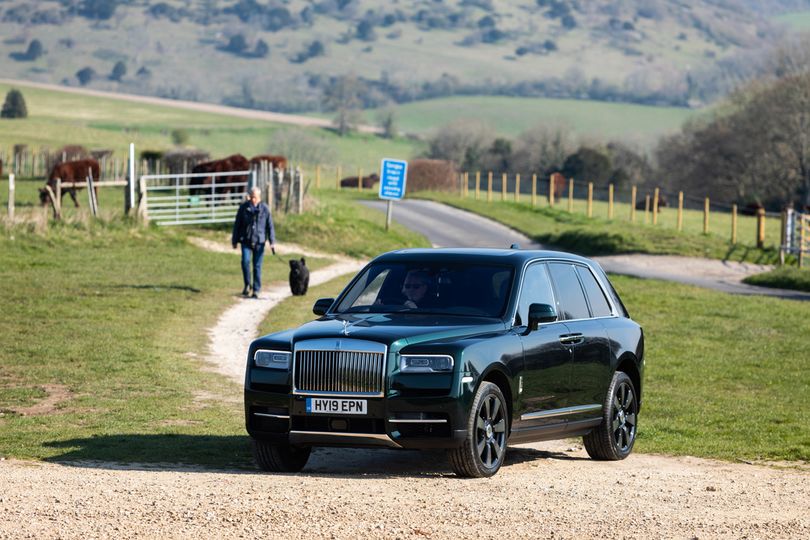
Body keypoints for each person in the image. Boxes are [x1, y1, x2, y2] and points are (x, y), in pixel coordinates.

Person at [232, 187, 275, 298]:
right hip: (245, 240)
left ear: (259, 197)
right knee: (245, 262)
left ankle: (256, 289)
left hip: (259, 242)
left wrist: (272, 241)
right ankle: (247, 285)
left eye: (254, 197)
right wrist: (235, 240)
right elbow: (237, 225)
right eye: (251, 196)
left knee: (257, 266)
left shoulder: (265, 209)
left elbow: (270, 226)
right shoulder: (243, 208)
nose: (252, 199)